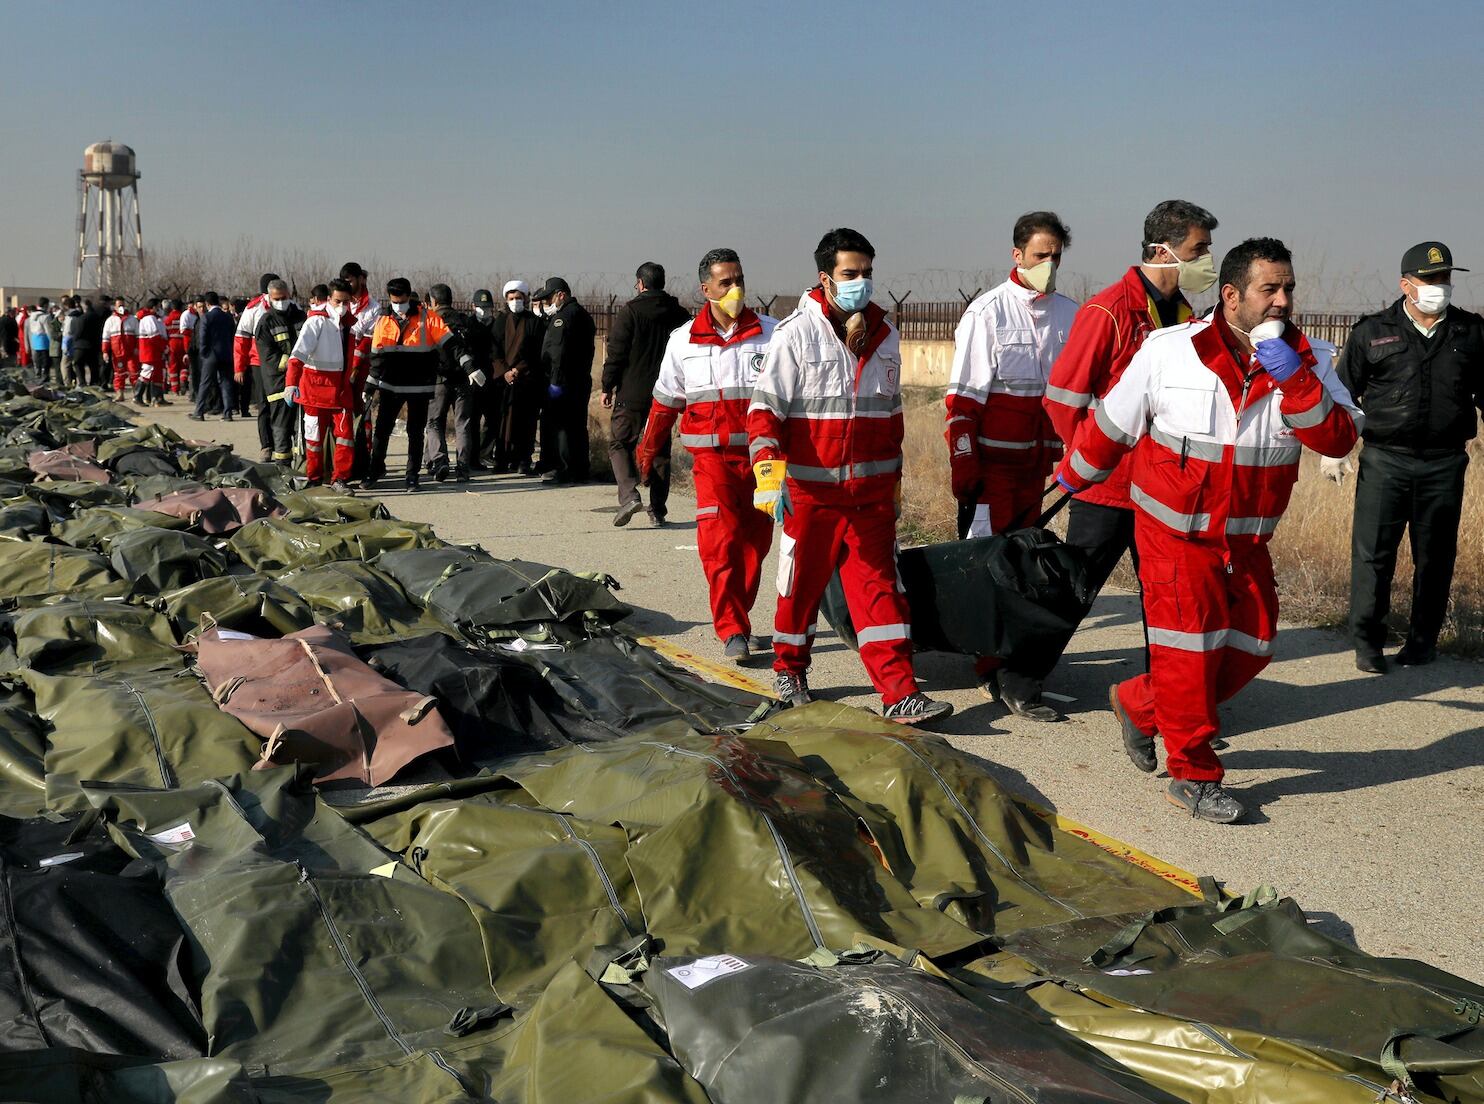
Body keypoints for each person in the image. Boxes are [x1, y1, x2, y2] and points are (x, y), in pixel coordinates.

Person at [1056, 238, 1360, 823]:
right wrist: (1073, 476)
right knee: (1189, 654)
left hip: (1246, 541)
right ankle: (1192, 775)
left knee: (1252, 645)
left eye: (1288, 289)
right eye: (1269, 289)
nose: (1282, 301)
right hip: (1174, 535)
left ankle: (1139, 703)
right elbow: (1112, 423)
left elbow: (1339, 439)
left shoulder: (1313, 360)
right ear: (1231, 296)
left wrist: (1298, 381)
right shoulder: (1170, 351)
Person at [748, 227, 953, 725]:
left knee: (881, 592)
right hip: (811, 495)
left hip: (871, 499)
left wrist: (896, 485)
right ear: (826, 278)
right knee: (800, 589)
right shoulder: (796, 334)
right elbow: (764, 412)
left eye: (867, 272)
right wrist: (768, 476)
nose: (861, 281)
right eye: (850, 273)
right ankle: (789, 671)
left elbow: (892, 417)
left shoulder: (885, 335)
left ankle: (899, 693)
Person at [1045, 200, 1220, 629]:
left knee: (1165, 598)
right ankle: (1020, 668)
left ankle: (1160, 673)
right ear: (1162, 251)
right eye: (1198, 249)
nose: (1207, 260)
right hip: (1108, 487)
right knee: (1072, 594)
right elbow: (1063, 399)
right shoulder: (1109, 311)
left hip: (1163, 489)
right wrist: (1092, 459)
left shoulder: (1186, 317)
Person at [946, 211, 1080, 721]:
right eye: (1041, 255)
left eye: (1056, 256)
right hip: (991, 473)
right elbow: (962, 403)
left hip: (1037, 472)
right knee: (989, 568)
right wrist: (964, 466)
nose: (1050, 264)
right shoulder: (987, 313)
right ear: (1017, 255)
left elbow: (1074, 396)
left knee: (1026, 568)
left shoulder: (1071, 315)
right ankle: (989, 663)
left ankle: (1014, 658)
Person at [1329, 242, 1484, 673]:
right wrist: (1333, 450)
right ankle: (1368, 644)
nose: (1439, 286)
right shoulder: (1372, 331)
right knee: (1374, 556)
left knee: (1435, 557)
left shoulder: (1471, 332)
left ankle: (1422, 644)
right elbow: (1343, 394)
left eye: (1445, 278)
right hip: (1385, 461)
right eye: (1429, 279)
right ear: (1405, 285)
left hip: (1444, 463)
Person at [638, 247, 778, 662]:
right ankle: (731, 627)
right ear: (706, 290)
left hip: (762, 461)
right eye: (725, 282)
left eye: (739, 280)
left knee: (754, 544)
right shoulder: (683, 341)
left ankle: (740, 619)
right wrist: (647, 452)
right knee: (721, 541)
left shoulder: (772, 335)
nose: (736, 289)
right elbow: (664, 404)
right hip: (712, 462)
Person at [365, 276, 474, 491]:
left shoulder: (428, 318)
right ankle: (374, 471)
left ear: (409, 296)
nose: (398, 305)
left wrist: (469, 365)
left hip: (419, 387)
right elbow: (377, 357)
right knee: (382, 431)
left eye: (402, 300)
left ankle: (412, 476)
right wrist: (370, 385)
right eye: (394, 301)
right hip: (390, 386)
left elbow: (451, 344)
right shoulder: (383, 321)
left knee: (415, 434)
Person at [602, 262, 690, 526]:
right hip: (666, 392)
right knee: (660, 450)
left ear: (640, 283)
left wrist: (607, 385)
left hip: (632, 391)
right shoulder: (680, 314)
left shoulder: (631, 311)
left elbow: (617, 352)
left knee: (620, 443)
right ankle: (658, 510)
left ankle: (629, 495)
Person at [285, 279, 358, 491]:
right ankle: (314, 478)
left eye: (346, 302)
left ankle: (340, 479)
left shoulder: (349, 325)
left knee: (345, 437)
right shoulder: (316, 322)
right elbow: (297, 355)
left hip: (340, 392)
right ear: (328, 299)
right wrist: (290, 384)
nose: (341, 306)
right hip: (314, 391)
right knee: (313, 438)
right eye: (337, 301)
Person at [530, 277, 596, 484]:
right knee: (577, 426)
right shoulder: (581, 314)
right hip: (579, 379)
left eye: (549, 299)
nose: (547, 304)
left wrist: (555, 382)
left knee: (563, 427)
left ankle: (565, 469)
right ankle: (580, 469)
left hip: (563, 381)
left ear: (561, 295)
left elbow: (558, 353)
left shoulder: (564, 318)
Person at [423, 283, 488, 482]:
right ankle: (463, 468)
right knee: (463, 423)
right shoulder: (465, 321)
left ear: (434, 301)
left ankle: (440, 461)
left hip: (439, 380)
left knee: (434, 422)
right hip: (464, 378)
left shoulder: (431, 321)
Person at [487, 280, 545, 474]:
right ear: (506, 300)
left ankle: (523, 460)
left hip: (526, 380)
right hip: (504, 382)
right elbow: (494, 350)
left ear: (525, 299)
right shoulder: (500, 321)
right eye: (511, 298)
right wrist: (505, 371)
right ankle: (502, 459)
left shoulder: (534, 322)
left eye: (518, 298)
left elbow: (537, 352)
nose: (515, 301)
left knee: (526, 421)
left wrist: (518, 370)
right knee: (502, 421)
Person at [253, 279, 307, 464]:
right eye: (277, 299)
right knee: (281, 428)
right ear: (269, 298)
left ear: (289, 295)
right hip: (278, 384)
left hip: (302, 382)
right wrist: (294, 363)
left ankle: (302, 466)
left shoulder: (300, 317)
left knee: (302, 427)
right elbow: (268, 356)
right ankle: (283, 467)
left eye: (283, 298)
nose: (281, 302)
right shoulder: (266, 322)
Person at [188, 292, 236, 421]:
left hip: (211, 354)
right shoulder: (227, 317)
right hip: (226, 353)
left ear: (207, 303)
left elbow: (203, 337)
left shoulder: (207, 317)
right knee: (226, 383)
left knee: (205, 383)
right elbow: (233, 335)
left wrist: (204, 353)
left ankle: (199, 412)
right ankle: (228, 413)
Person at [103, 296, 139, 401]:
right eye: (119, 305)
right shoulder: (110, 320)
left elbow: (138, 335)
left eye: (122, 305)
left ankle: (137, 394)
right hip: (117, 352)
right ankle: (120, 394)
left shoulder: (132, 319)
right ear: (115, 306)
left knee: (134, 373)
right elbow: (105, 337)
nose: (121, 307)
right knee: (119, 374)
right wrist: (105, 351)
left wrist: (137, 347)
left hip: (131, 352)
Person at [134, 299, 169, 406]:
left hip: (155, 351)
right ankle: (137, 396)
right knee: (147, 372)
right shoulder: (149, 318)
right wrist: (164, 347)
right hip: (150, 351)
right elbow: (154, 336)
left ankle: (157, 398)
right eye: (158, 306)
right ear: (154, 307)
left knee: (158, 374)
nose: (160, 308)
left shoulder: (155, 318)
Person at [58, 297, 85, 388]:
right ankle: (80, 382)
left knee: (64, 365)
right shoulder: (80, 315)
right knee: (76, 364)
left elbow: (67, 333)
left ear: (66, 306)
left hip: (69, 343)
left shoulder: (70, 318)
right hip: (79, 343)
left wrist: (64, 346)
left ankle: (67, 383)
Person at [26, 297, 53, 383]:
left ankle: (38, 375)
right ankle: (45, 376)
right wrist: (52, 341)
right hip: (44, 339)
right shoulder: (45, 316)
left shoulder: (32, 316)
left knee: (38, 360)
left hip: (35, 339)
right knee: (45, 360)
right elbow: (48, 330)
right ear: (45, 305)